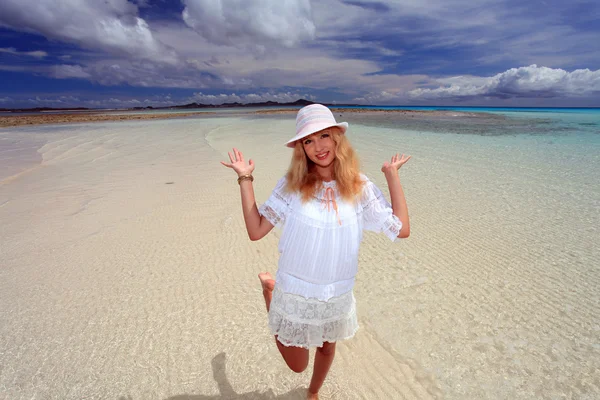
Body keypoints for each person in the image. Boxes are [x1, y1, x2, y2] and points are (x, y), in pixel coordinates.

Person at [221, 104, 410, 399]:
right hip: (297, 287)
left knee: (327, 346)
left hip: (337, 290)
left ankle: (313, 392)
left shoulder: (360, 186)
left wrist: (391, 175)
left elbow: (401, 229)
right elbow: (256, 230)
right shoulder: (293, 185)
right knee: (297, 365)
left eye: (323, 136)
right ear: (301, 148)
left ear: (337, 138)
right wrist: (245, 178)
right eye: (308, 140)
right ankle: (269, 291)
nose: (318, 147)